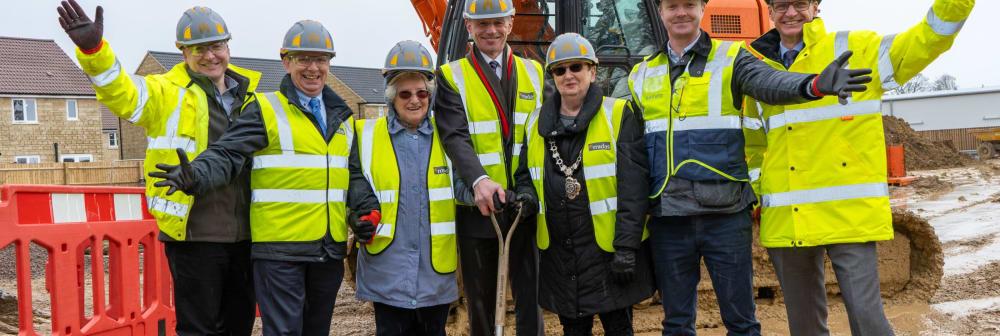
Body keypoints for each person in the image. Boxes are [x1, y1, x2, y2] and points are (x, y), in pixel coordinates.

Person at [628, 0, 874, 335]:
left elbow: (769, 83)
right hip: (669, 218)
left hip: (724, 216)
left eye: (689, 4)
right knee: (675, 324)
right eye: (673, 5)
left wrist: (813, 85)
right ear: (660, 12)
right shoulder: (641, 73)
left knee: (741, 323)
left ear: (703, 8)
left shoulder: (731, 58)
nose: (681, 12)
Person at [742, 0, 975, 335]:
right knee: (804, 326)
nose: (790, 12)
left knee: (868, 321)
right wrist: (757, 192)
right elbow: (752, 142)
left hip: (848, 215)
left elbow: (927, 39)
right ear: (769, 10)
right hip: (787, 218)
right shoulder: (757, 66)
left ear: (815, 6)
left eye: (799, 3)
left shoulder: (858, 48)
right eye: (781, 4)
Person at [150, 20, 380, 336]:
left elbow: (350, 174)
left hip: (327, 250)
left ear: (329, 63)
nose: (313, 68)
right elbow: (228, 153)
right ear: (286, 62)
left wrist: (363, 212)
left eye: (321, 59)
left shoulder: (342, 117)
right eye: (303, 59)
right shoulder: (265, 109)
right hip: (280, 252)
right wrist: (198, 175)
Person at [56, 2, 259, 334]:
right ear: (182, 52)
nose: (210, 56)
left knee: (239, 325)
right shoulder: (165, 92)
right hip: (195, 234)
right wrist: (95, 51)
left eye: (216, 46)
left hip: (248, 234)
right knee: (198, 328)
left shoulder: (249, 98)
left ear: (228, 47)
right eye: (198, 49)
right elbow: (121, 93)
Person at [515, 33, 655, 336]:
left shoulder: (617, 115)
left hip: (607, 252)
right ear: (552, 76)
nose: (569, 75)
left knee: (619, 327)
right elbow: (525, 174)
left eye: (577, 67)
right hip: (560, 254)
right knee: (573, 330)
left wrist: (626, 247)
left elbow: (634, 189)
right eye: (560, 69)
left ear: (593, 71)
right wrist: (526, 195)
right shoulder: (535, 123)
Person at [434, 0, 545, 334]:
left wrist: (527, 189)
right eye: (482, 24)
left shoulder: (534, 71)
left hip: (523, 205)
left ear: (511, 23)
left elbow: (536, 136)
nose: (491, 30)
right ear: (469, 27)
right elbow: (454, 137)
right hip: (478, 207)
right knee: (481, 302)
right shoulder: (452, 76)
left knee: (531, 299)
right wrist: (478, 181)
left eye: (498, 22)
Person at [353, 40, 459, 336]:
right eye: (405, 94)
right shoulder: (365, 136)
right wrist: (357, 214)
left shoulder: (449, 136)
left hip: (434, 275)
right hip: (388, 274)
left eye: (422, 93)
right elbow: (352, 183)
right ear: (391, 97)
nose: (415, 100)